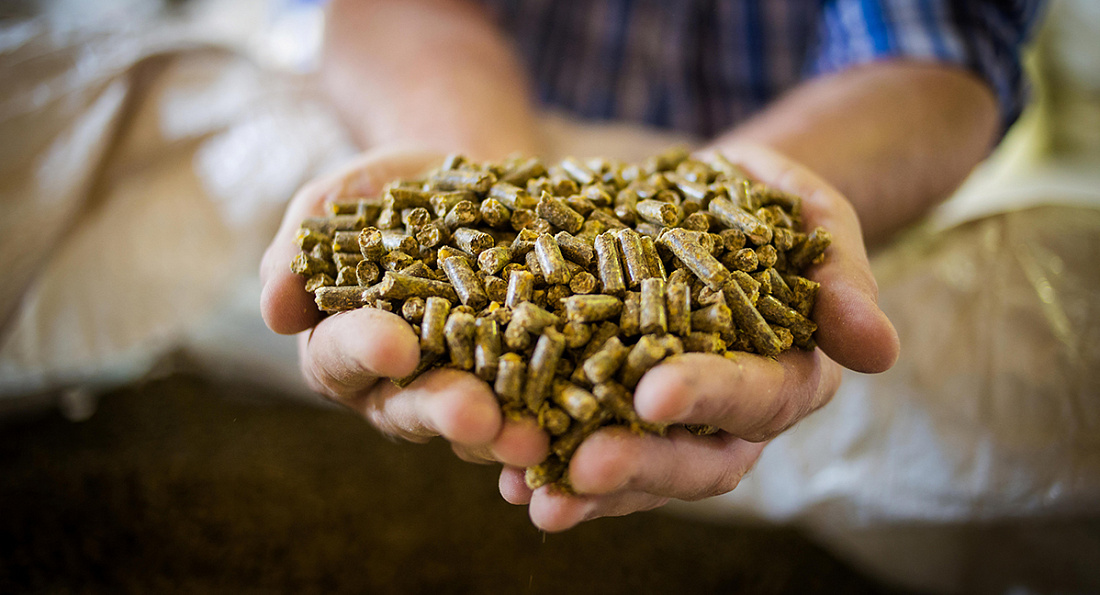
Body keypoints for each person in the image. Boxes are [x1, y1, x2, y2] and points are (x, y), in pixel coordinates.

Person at [259, 0, 1044, 534]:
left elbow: (938, 47)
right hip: (469, 105)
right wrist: (476, 171)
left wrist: (746, 195)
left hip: (812, 149)